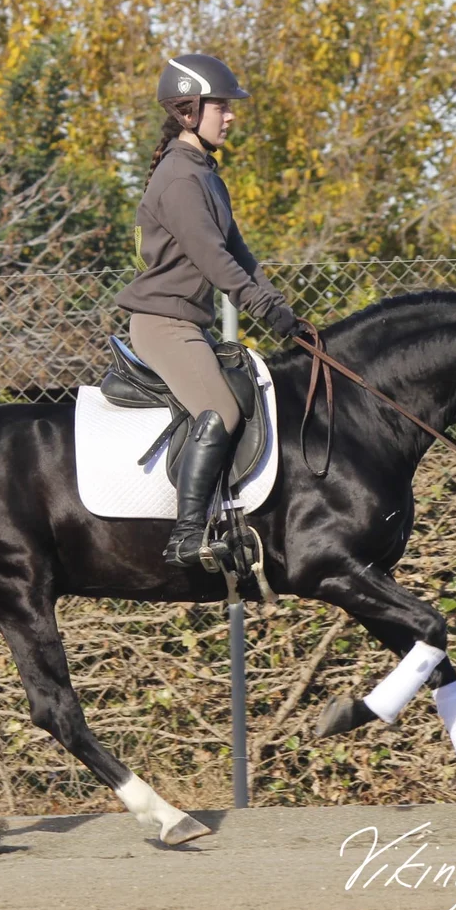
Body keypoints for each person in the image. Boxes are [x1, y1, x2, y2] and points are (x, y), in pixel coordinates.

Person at [116, 53, 304, 568]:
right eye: (221, 105)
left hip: (186, 324)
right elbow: (213, 259)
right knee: (220, 410)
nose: (231, 115)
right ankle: (186, 536)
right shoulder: (180, 179)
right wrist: (262, 306)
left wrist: (283, 312)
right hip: (162, 326)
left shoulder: (206, 175)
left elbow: (241, 255)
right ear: (187, 109)